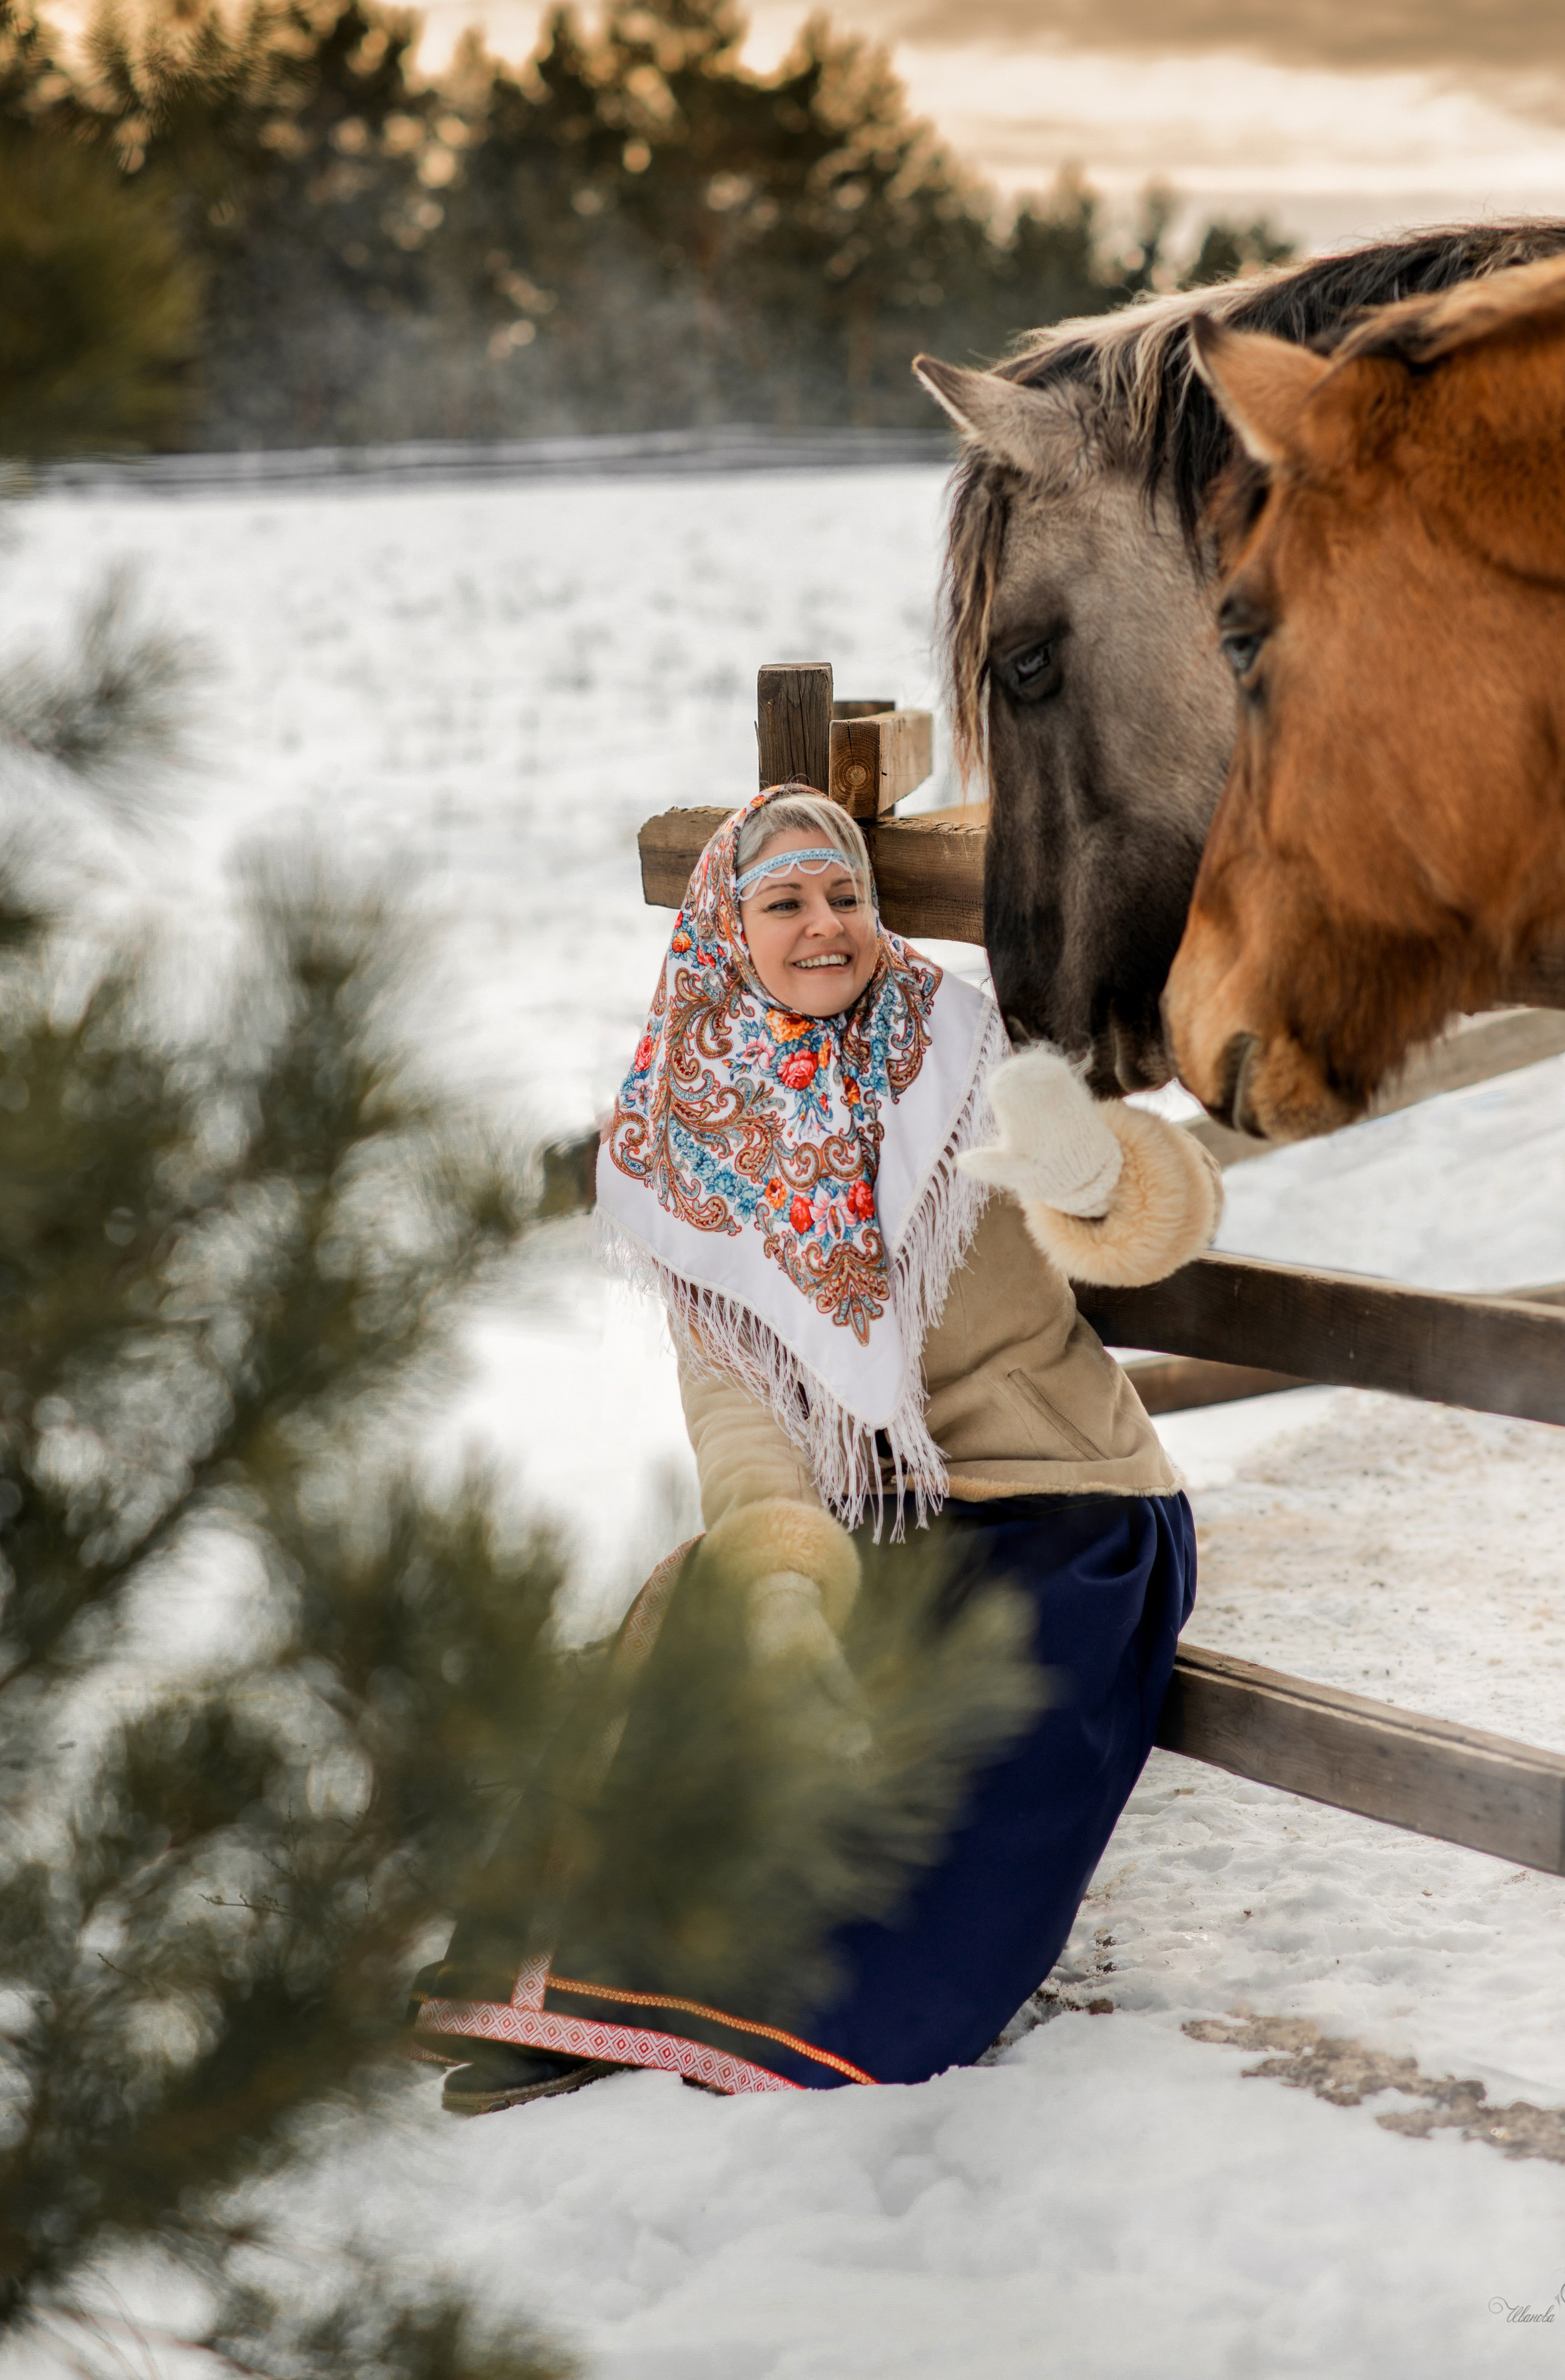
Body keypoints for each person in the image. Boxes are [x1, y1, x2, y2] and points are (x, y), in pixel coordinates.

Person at [416, 783, 1221, 2110]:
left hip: (1066, 1509)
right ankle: (584, 1995)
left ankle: (787, 2024)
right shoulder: (690, 1132)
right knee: (701, 1617)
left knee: (949, 1762)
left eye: (843, 895)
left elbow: (1152, 1223)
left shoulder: (963, 1051)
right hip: (876, 1517)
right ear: (725, 932)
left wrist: (1097, 1175)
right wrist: (783, 1580)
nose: (822, 925)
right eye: (783, 901)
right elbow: (734, 1401)